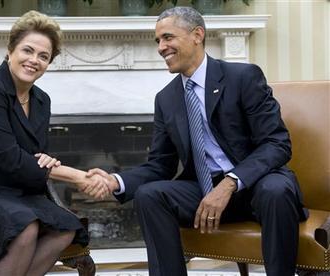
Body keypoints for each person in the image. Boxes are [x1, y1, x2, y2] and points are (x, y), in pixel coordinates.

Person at [86, 6, 308, 276]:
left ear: (197, 35)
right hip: (204, 189)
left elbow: (277, 144)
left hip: (255, 183)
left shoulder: (243, 77)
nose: (161, 47)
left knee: (276, 189)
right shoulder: (166, 99)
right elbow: (160, 166)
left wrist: (229, 184)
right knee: (149, 195)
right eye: (158, 41)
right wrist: (115, 181)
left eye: (168, 37)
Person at [0, 10, 107, 276]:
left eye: (43, 56)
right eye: (28, 50)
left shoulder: (41, 100)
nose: (34, 60)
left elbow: (34, 157)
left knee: (66, 227)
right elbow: (12, 159)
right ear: (10, 50)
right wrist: (79, 176)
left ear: (49, 63)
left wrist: (43, 160)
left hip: (11, 192)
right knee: (26, 227)